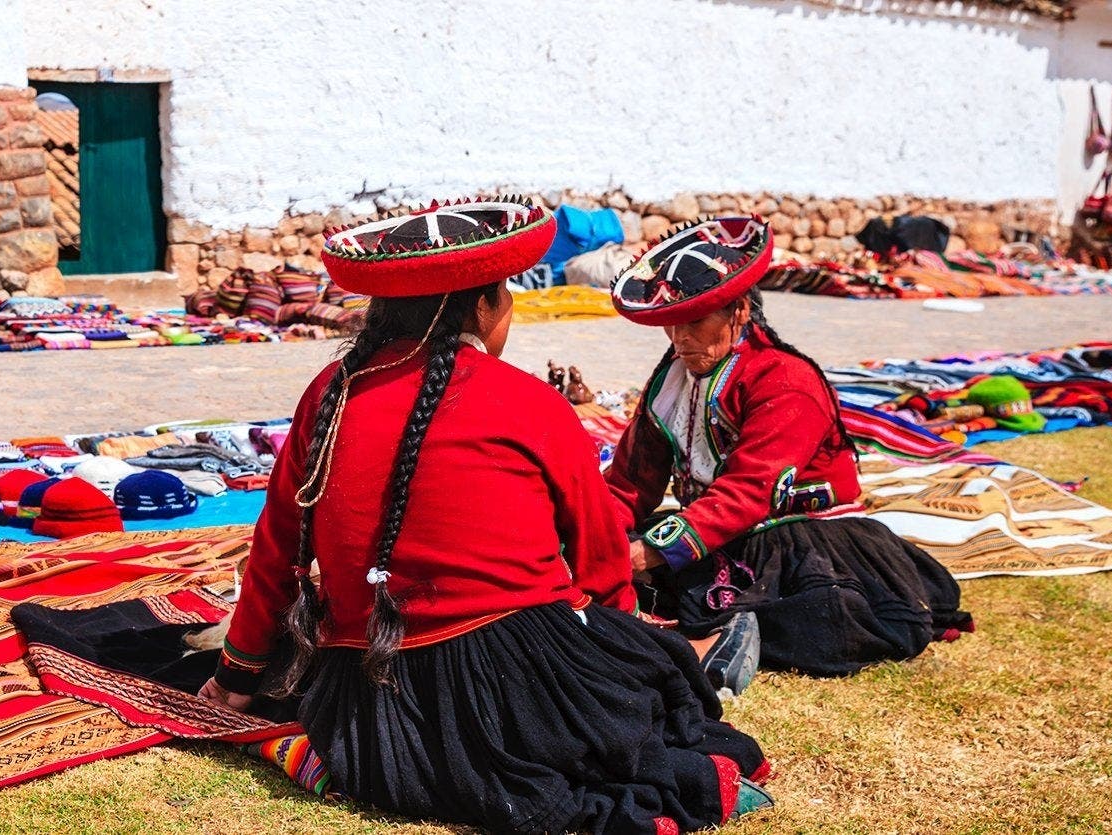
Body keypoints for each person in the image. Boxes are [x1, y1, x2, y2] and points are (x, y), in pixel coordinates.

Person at [197, 197, 769, 834]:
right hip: (516, 683)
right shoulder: (528, 401)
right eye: (507, 296)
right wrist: (619, 654)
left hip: (365, 703)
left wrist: (238, 674)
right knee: (657, 687)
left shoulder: (328, 393)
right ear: (481, 307)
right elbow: (600, 560)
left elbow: (278, 546)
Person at [606, 217, 974, 682]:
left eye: (694, 323)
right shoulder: (671, 381)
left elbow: (749, 492)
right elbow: (630, 482)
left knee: (825, 615)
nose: (679, 340)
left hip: (800, 536)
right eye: (671, 326)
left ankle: (717, 638)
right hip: (717, 528)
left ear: (738, 310)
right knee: (618, 574)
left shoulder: (784, 380)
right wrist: (598, 536)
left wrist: (643, 555)